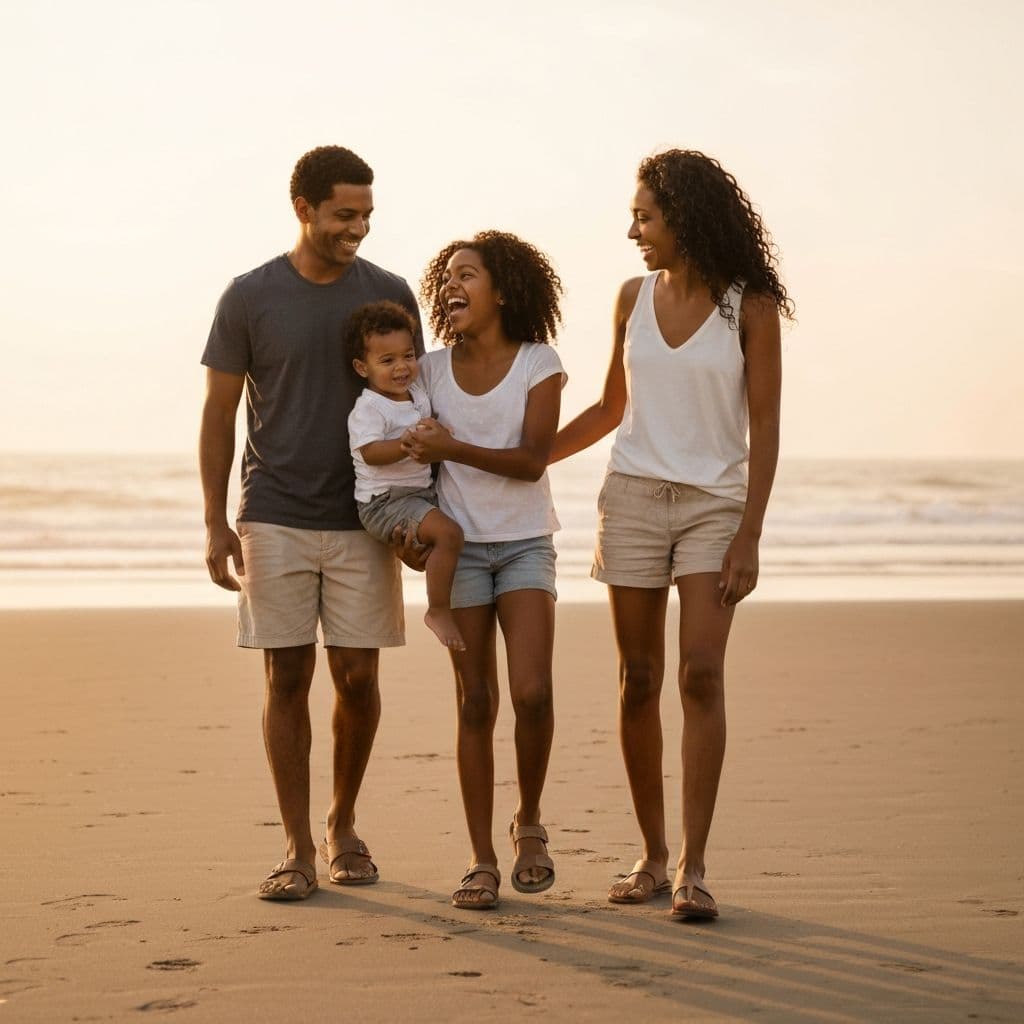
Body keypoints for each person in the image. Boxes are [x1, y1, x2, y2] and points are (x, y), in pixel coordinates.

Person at [550, 150, 793, 920]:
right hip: (631, 501)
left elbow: (765, 424)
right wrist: (522, 460)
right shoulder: (631, 298)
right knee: (638, 678)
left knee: (700, 675)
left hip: (713, 506)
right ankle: (651, 857)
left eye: (646, 216)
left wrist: (749, 533)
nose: (633, 231)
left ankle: (693, 865)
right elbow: (607, 409)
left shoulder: (747, 306)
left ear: (685, 217)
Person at [199, 145, 425, 901]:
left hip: (368, 515)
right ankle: (296, 845)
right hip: (275, 512)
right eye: (343, 214)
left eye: (365, 214)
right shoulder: (250, 295)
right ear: (304, 208)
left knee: (358, 677)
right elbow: (218, 413)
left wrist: (428, 512)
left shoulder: (390, 292)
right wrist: (214, 520)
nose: (356, 227)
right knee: (286, 675)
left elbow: (420, 404)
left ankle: (343, 823)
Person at [401, 231, 565, 910]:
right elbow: (413, 460)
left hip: (524, 544)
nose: (451, 287)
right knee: (475, 702)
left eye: (467, 275)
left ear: (503, 289)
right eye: (446, 278)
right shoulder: (429, 372)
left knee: (529, 692)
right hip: (460, 552)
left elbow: (532, 461)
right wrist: (406, 531)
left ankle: (528, 822)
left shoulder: (539, 363)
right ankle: (481, 859)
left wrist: (456, 445)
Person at [345, 300, 466, 651]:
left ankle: (451, 597)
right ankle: (438, 610)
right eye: (387, 361)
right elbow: (370, 452)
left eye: (408, 356)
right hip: (384, 503)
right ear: (361, 367)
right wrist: (407, 443)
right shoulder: (369, 407)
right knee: (450, 533)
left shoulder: (416, 396)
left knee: (453, 535)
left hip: (417, 496)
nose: (402, 367)